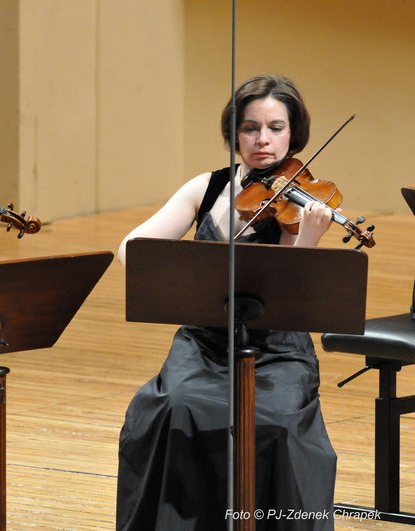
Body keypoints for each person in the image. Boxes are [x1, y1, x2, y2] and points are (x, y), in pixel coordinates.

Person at [115, 75, 337, 530]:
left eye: (276, 127)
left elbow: (293, 295)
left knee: (273, 422)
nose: (263, 140)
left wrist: (309, 238)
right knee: (172, 406)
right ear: (234, 134)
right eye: (251, 128)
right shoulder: (208, 186)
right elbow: (131, 249)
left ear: (293, 134)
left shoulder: (302, 204)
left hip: (277, 349)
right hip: (203, 342)